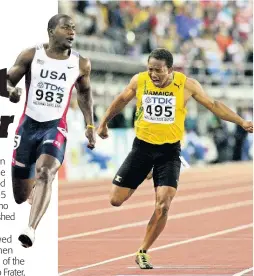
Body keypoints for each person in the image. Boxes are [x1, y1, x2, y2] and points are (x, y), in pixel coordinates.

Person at [97, 48, 253, 269]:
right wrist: (103, 122)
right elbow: (121, 99)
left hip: (169, 152)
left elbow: (214, 105)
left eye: (158, 71)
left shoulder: (186, 84)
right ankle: (146, 172)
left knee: (163, 204)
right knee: (115, 200)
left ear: (169, 69)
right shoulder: (140, 80)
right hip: (142, 149)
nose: (153, 75)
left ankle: (143, 250)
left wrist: (241, 121)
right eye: (150, 69)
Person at [8, 14, 96, 248]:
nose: (72, 32)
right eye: (66, 27)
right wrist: (10, 92)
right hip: (27, 126)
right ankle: (32, 186)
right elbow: (7, 80)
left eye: (74, 28)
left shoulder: (81, 63)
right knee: (19, 196)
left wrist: (90, 124)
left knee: (47, 171)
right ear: (50, 31)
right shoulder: (31, 55)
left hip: (55, 126)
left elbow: (85, 93)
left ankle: (31, 229)